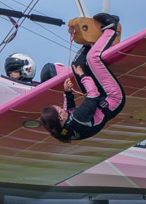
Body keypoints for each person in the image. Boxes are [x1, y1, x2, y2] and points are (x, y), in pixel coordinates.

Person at [41, 13, 125, 141]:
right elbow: (93, 95)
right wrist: (83, 75)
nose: (60, 109)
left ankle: (95, 42)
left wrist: (67, 93)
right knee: (92, 58)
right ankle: (111, 28)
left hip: (99, 100)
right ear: (60, 118)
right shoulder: (78, 119)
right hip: (112, 98)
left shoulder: (62, 128)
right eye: (58, 110)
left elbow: (69, 110)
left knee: (76, 64)